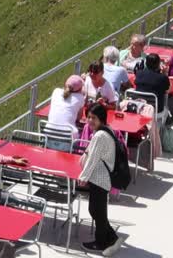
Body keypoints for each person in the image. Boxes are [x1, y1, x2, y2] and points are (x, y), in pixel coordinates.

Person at [78, 104, 123, 255]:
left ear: (101, 119)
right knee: (97, 211)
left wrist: (83, 176)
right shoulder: (103, 131)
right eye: (89, 117)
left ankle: (101, 242)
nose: (90, 120)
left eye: (94, 118)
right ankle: (111, 238)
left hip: (100, 178)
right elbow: (91, 152)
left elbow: (94, 158)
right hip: (99, 178)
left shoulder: (99, 135)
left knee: (97, 211)